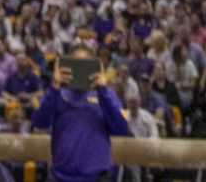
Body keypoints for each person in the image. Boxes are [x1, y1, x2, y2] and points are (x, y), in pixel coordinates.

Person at [32, 46, 132, 182]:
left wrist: (102, 91)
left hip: (97, 177)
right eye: (76, 65)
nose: (80, 71)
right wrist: (54, 86)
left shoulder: (107, 95)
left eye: (85, 65)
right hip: (61, 177)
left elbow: (122, 129)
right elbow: (40, 122)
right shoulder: (56, 93)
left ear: (94, 67)